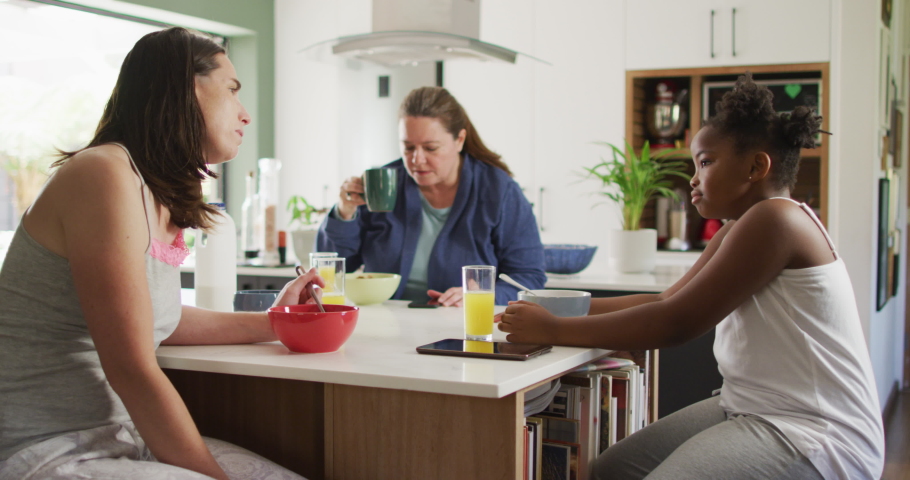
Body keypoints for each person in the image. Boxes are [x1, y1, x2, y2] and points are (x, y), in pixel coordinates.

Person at [498, 73, 884, 479]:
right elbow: (664, 299)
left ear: (756, 166)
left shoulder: (776, 220)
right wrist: (555, 308)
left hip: (813, 431)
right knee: (612, 470)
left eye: (706, 162)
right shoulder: (741, 225)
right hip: (752, 405)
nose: (693, 179)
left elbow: (675, 323)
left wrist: (554, 329)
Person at [0, 28, 321, 480]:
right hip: (50, 449)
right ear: (187, 88)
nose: (245, 114)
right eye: (232, 90)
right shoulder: (103, 173)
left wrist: (275, 321)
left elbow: (151, 319)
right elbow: (130, 367)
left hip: (124, 439)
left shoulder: (152, 190)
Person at [317, 86, 546, 306]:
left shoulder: (499, 191)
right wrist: (345, 212)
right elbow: (330, 271)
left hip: (459, 323)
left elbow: (528, 277)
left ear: (459, 140)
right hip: (386, 319)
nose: (417, 160)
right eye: (408, 147)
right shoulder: (383, 184)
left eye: (431, 148)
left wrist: (483, 296)